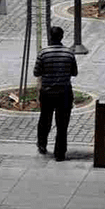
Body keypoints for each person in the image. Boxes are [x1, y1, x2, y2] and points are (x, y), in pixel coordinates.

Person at [34, 26, 78, 160]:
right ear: (62, 37)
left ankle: (42, 144)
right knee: (62, 124)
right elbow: (74, 72)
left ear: (50, 37)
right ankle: (60, 152)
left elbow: (37, 72)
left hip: (47, 93)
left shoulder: (43, 53)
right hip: (64, 93)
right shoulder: (69, 53)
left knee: (45, 119)